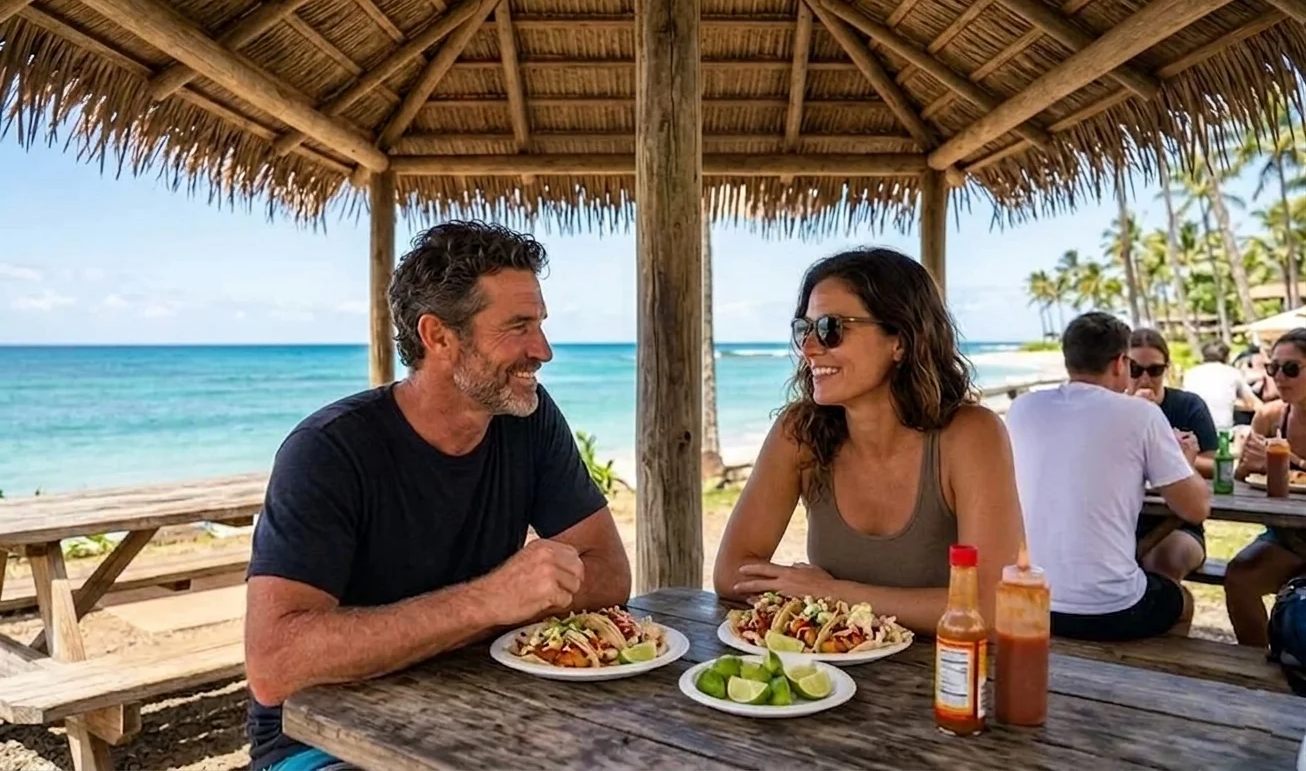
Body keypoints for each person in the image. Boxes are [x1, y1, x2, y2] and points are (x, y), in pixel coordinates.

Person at [243, 222, 632, 771]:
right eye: (518, 326)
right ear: (439, 337)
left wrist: (505, 604)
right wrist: (488, 601)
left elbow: (611, 574)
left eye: (540, 324)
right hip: (323, 746)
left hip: (488, 713)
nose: (542, 350)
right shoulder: (329, 451)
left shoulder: (529, 419)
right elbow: (275, 662)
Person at [712, 247, 1025, 634]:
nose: (809, 348)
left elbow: (993, 608)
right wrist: (819, 599)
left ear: (901, 340)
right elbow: (732, 573)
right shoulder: (801, 433)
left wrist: (832, 593)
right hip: (830, 671)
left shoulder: (970, 435)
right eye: (803, 329)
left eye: (830, 328)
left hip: (953, 677)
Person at [1005, 313, 1211, 641]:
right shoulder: (1141, 415)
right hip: (1110, 609)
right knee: (1180, 601)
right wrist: (1182, 463)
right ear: (1120, 363)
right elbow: (1195, 509)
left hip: (1029, 600)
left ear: (1069, 359)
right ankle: (1150, 683)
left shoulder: (1023, 409)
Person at [1228, 328, 1306, 646]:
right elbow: (1237, 478)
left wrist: (1294, 462)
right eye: (1273, 368)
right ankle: (1260, 664)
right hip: (1288, 537)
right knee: (1238, 577)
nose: (1279, 378)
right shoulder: (1270, 416)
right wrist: (1245, 466)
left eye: (1291, 369)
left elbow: (1292, 467)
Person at [1127, 328, 1218, 583]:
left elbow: (1214, 464)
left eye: (1154, 370)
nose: (1145, 378)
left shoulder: (1188, 405)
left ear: (1166, 369)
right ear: (1122, 368)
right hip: (1122, 521)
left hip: (1179, 522)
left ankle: (1167, 615)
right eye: (1135, 370)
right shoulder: (1114, 409)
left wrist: (1173, 456)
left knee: (1164, 564)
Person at [1183, 340, 1262, 431]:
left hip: (1192, 430)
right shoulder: (1232, 373)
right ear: (1227, 357)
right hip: (1222, 431)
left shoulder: (1190, 374)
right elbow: (1254, 404)